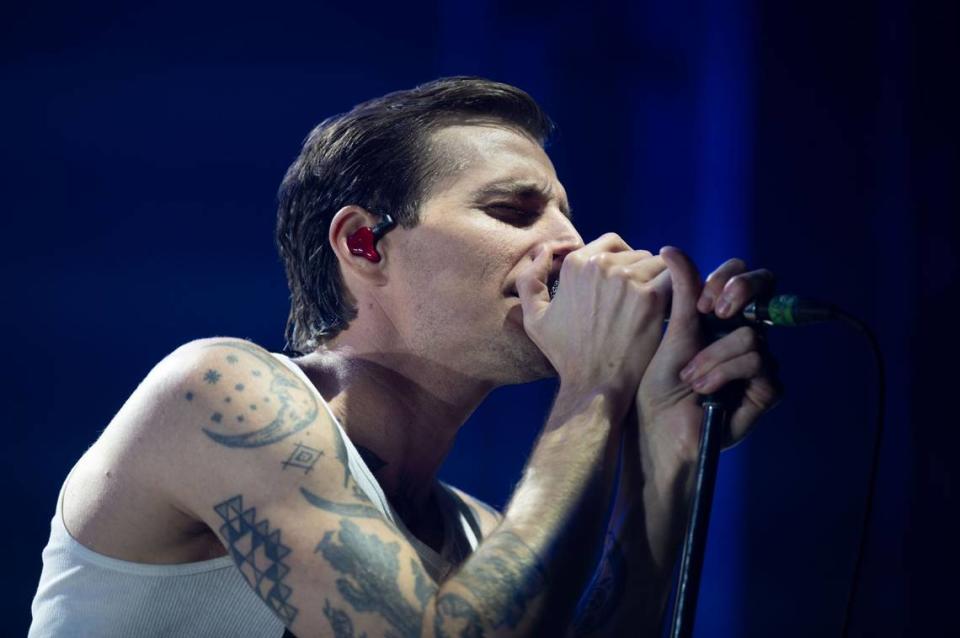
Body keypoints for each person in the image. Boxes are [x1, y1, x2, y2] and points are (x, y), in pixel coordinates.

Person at [29, 76, 780, 637]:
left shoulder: (484, 540)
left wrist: (664, 446)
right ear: (364, 243)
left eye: (566, 215)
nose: (570, 248)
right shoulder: (217, 393)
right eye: (513, 211)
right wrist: (594, 387)